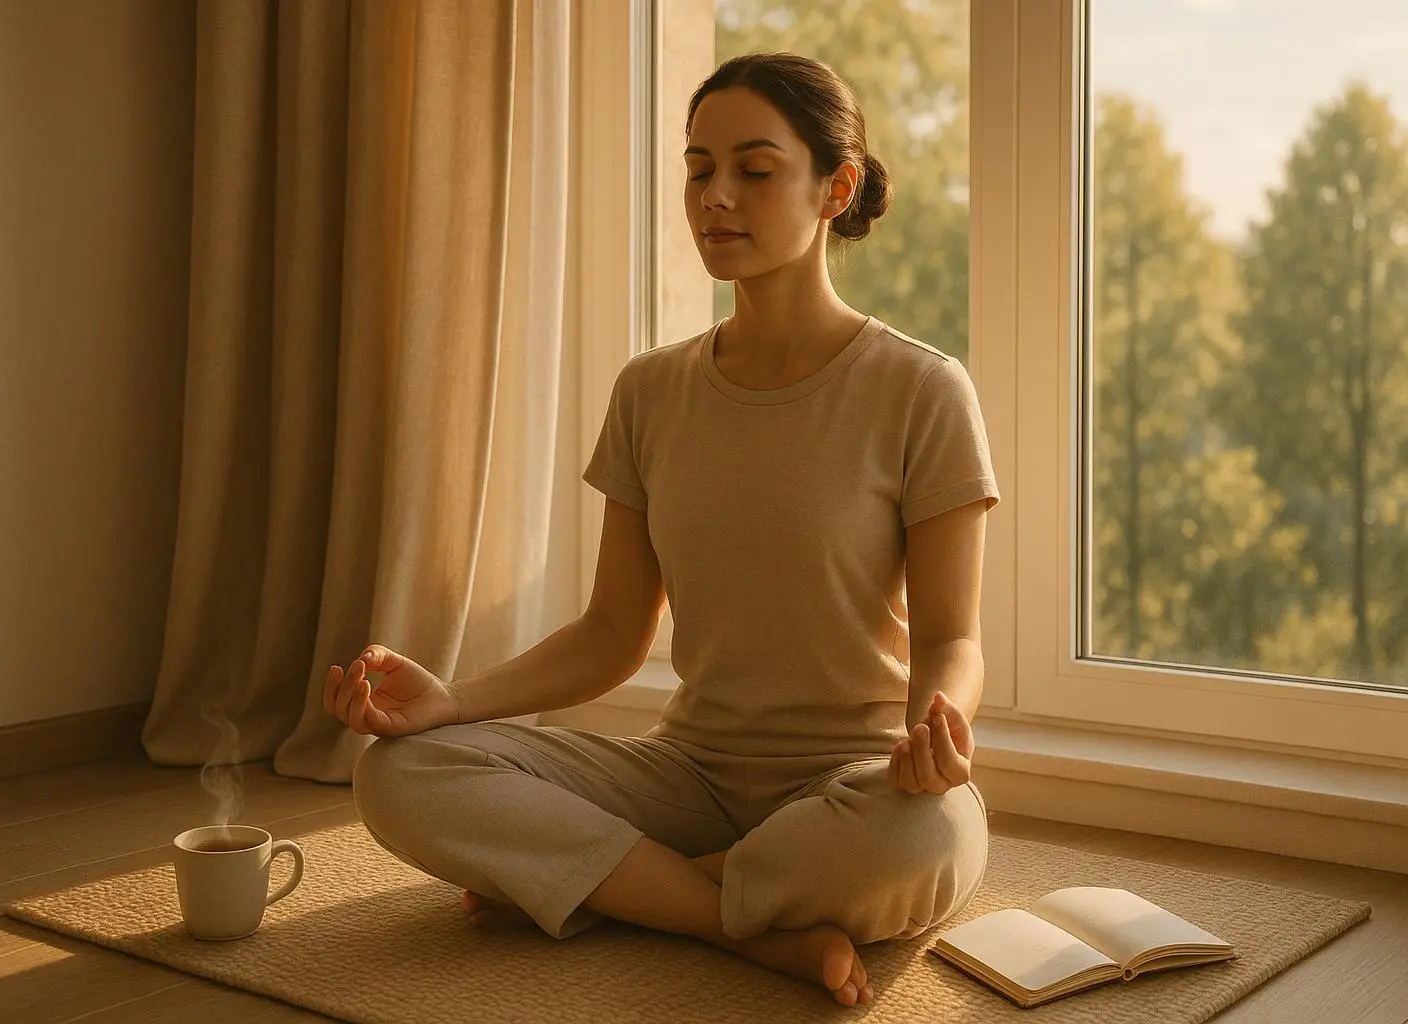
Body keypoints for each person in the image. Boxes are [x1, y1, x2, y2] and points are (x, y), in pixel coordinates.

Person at [324, 52, 1001, 1010]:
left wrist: (941, 722)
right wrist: (451, 703)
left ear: (834, 187)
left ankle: (621, 886)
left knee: (927, 838)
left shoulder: (923, 390)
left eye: (754, 171)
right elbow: (610, 634)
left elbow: (950, 636)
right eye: (697, 168)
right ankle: (750, 929)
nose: (715, 197)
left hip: (856, 777)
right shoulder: (651, 391)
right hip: (688, 774)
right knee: (401, 773)